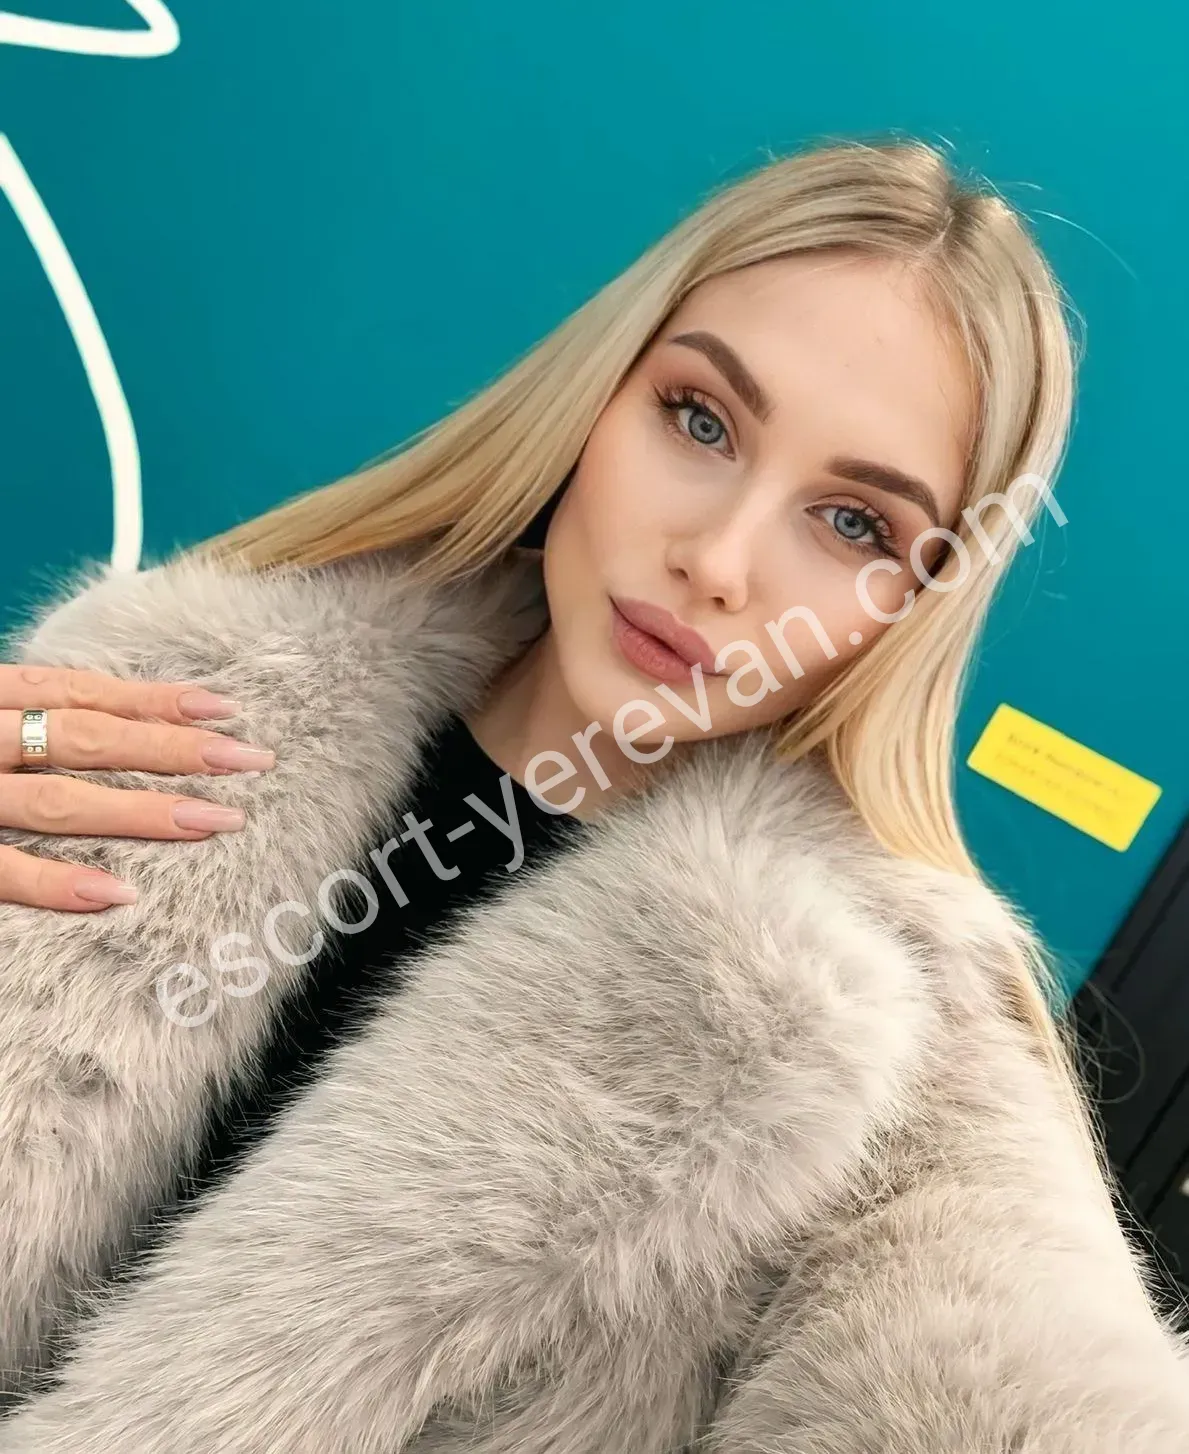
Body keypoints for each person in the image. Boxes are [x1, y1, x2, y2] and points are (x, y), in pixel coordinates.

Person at [0, 136, 1186, 1453]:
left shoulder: (888, 1058)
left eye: (855, 523)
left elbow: (1016, 1384)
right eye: (700, 419)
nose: (719, 559)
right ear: (600, 394)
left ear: (919, 605)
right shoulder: (156, 693)